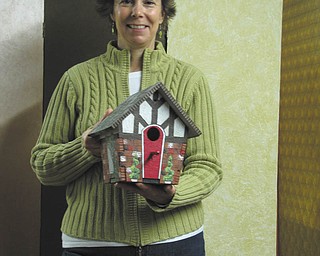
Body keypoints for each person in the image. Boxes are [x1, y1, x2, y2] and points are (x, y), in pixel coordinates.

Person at [30, 0, 223, 255]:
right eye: (126, 2)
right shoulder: (76, 79)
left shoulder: (190, 80)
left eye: (149, 3)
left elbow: (207, 166)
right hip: (93, 245)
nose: (137, 11)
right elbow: (44, 166)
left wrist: (170, 195)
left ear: (163, 13)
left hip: (175, 243)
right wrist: (85, 148)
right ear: (111, 11)